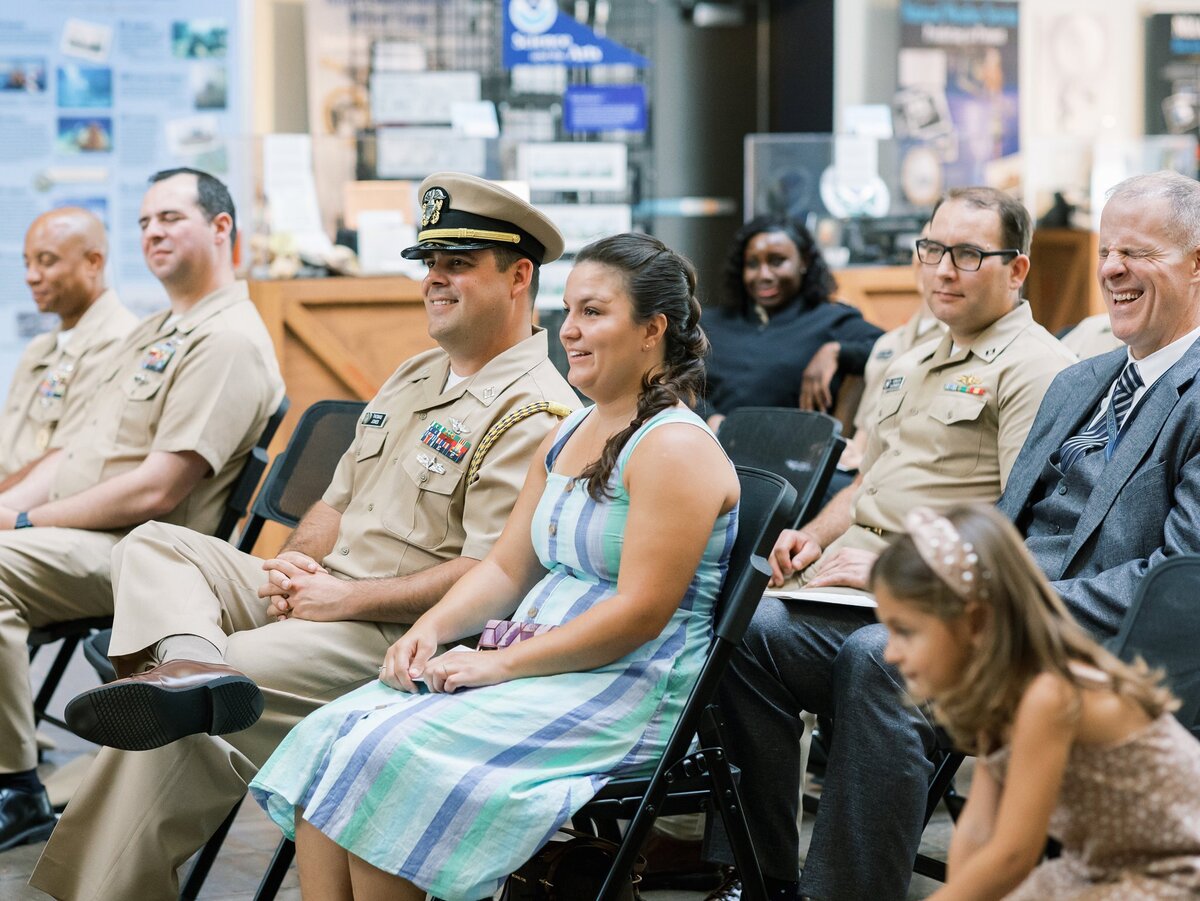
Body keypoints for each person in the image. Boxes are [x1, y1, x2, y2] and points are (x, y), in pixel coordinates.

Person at [30, 172, 579, 901]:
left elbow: (485, 576)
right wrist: (295, 566)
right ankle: (188, 669)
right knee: (155, 544)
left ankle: (177, 713)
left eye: (458, 264)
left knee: (189, 717)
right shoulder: (417, 373)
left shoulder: (536, 409)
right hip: (321, 596)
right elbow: (336, 498)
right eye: (430, 262)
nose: (435, 281)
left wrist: (338, 597)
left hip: (396, 636)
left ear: (518, 277)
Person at [246, 233, 740, 901]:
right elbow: (507, 567)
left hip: (625, 691)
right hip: (542, 665)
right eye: (568, 310)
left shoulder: (675, 446)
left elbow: (638, 614)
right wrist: (433, 626)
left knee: (392, 760)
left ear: (652, 329)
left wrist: (495, 663)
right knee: (332, 733)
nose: (569, 330)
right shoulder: (568, 432)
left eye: (594, 312)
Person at [702, 186, 1075, 901]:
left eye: (968, 254)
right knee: (743, 627)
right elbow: (869, 484)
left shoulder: (1036, 368)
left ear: (1018, 269)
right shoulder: (912, 351)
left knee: (877, 661)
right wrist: (808, 537)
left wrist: (893, 568)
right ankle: (759, 872)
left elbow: (1020, 527)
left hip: (957, 613)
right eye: (932, 250)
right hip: (852, 590)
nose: (943, 270)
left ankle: (845, 891)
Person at [0, 167, 284, 853]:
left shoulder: (229, 340)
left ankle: (15, 790)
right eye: (145, 221)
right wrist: (8, 507)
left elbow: (160, 488)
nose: (153, 232)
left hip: (143, 551)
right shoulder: (158, 329)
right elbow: (72, 450)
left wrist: (29, 523)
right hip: (87, 533)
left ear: (221, 228)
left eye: (171, 218)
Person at [872, 504, 1200, 900]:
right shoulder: (1001, 690)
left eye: (905, 631)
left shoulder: (1049, 694)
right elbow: (978, 830)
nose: (890, 652)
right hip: (1098, 868)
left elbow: (1013, 856)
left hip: (1173, 874)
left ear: (975, 623)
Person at [697, 215, 882, 431]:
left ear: (803, 261)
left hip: (793, 455)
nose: (763, 275)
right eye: (752, 264)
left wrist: (838, 351)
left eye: (777, 261)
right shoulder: (709, 324)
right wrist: (710, 417)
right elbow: (673, 381)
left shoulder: (830, 319)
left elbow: (893, 347)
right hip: (713, 448)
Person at [1, 208, 137, 483]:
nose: (31, 276)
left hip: (34, 508)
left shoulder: (118, 342)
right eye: (27, 263)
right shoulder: (41, 347)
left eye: (47, 262)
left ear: (93, 263)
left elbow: (62, 458)